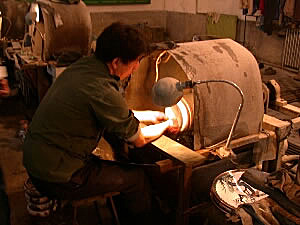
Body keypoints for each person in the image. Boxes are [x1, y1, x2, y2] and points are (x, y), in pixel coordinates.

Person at [22, 22, 178, 224]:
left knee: (119, 154)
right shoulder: (102, 89)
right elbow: (138, 139)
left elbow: (111, 112)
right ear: (116, 62)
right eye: (135, 61)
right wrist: (167, 124)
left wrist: (149, 115)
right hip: (56, 175)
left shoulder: (85, 67)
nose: (137, 67)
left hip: (38, 159)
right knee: (137, 180)